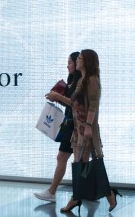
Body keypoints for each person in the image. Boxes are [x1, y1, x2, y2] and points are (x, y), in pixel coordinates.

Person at [56, 49, 121, 214]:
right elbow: (73, 103)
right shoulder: (82, 80)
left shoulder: (92, 80)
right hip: (78, 129)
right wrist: (58, 97)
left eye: (79, 58)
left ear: (87, 61)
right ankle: (79, 196)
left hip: (87, 129)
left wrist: (88, 126)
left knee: (94, 164)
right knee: (79, 165)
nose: (77, 60)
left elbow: (93, 105)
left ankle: (106, 193)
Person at [34, 51, 82, 202]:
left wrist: (58, 97)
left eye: (70, 62)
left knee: (65, 157)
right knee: (77, 160)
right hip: (71, 124)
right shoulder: (73, 80)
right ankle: (93, 192)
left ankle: (52, 192)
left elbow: (76, 104)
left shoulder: (81, 82)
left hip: (75, 126)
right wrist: (57, 97)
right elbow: (70, 104)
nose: (67, 66)